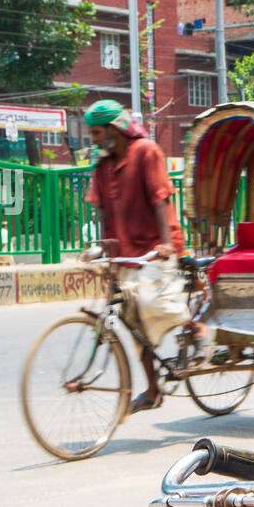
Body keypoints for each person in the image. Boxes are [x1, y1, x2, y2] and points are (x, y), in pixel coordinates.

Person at [84, 100, 191, 413]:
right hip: (127, 251)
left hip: (157, 246)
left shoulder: (146, 151)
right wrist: (105, 250)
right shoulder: (101, 166)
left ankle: (195, 328)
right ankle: (153, 389)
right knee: (132, 320)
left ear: (114, 129)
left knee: (150, 304)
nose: (92, 139)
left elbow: (160, 199)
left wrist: (166, 243)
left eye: (96, 132)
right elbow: (103, 211)